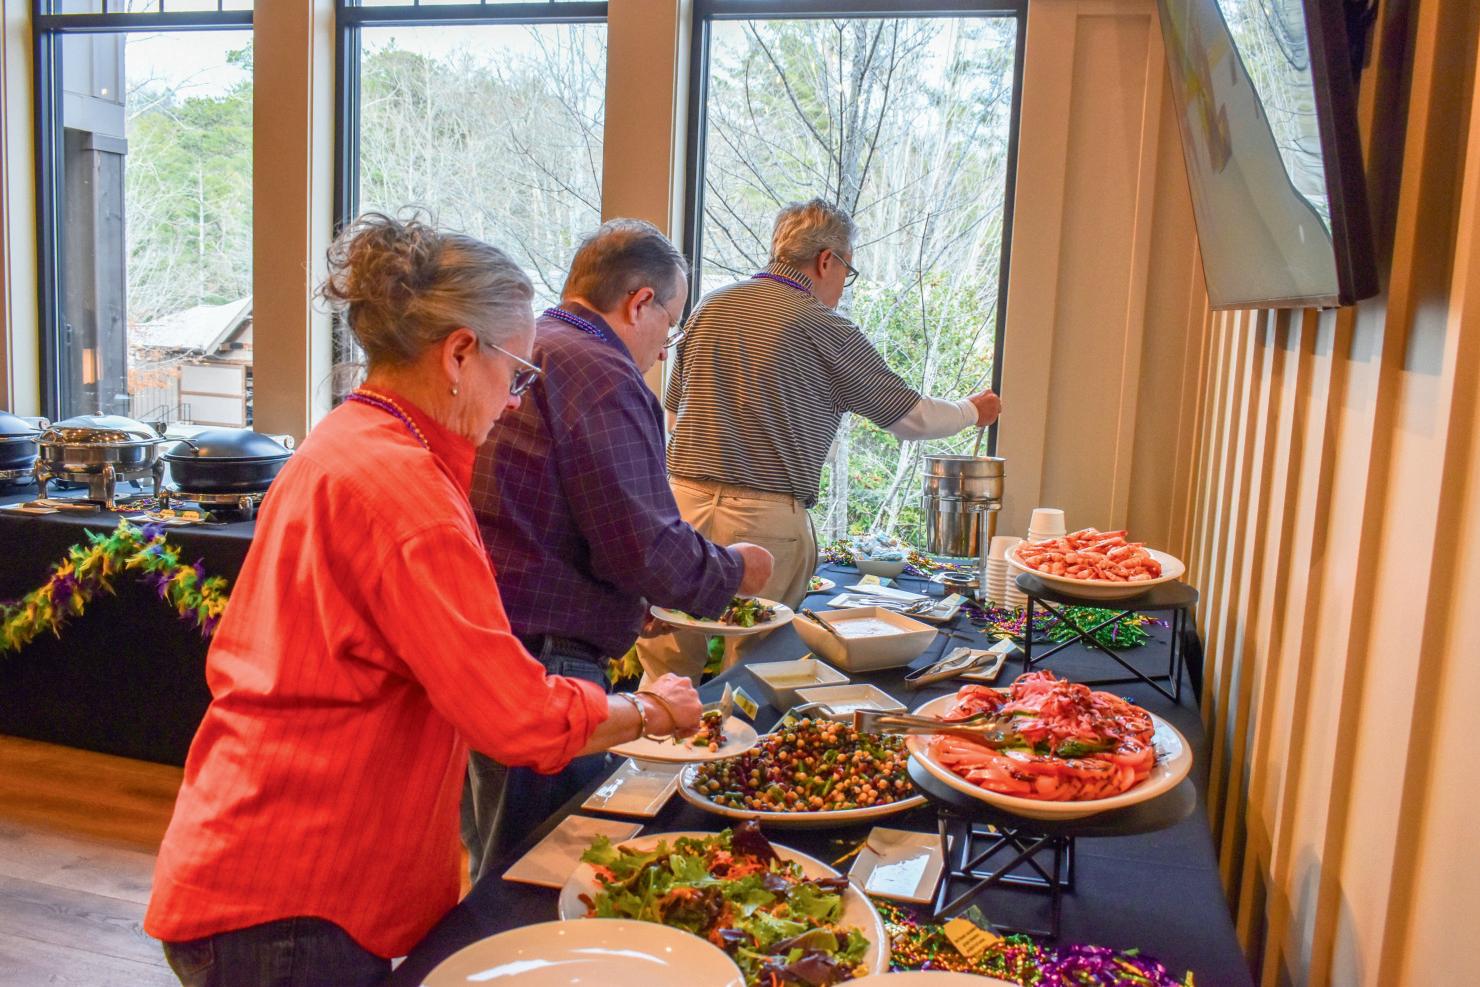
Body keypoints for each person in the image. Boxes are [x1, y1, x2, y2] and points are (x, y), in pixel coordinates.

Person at [144, 214, 703, 987]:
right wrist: (649, 710)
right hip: (299, 893)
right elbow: (515, 716)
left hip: (251, 853)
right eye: (517, 374)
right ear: (459, 353)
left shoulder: (344, 438)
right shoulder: (408, 493)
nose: (516, 401)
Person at [460, 218, 774, 879]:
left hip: (489, 644)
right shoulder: (602, 372)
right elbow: (647, 549)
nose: (664, 350)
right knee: (538, 869)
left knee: (493, 857)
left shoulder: (534, 346)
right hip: (546, 662)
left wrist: (632, 605)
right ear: (639, 302)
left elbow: (566, 517)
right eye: (671, 324)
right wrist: (737, 570)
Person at [640, 198, 1002, 683]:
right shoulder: (825, 327)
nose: (841, 285)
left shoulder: (711, 306)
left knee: (667, 665)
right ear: (826, 260)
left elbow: (674, 413)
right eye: (847, 271)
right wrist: (972, 411)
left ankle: (656, 734)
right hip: (764, 520)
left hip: (681, 505)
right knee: (755, 670)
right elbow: (909, 418)